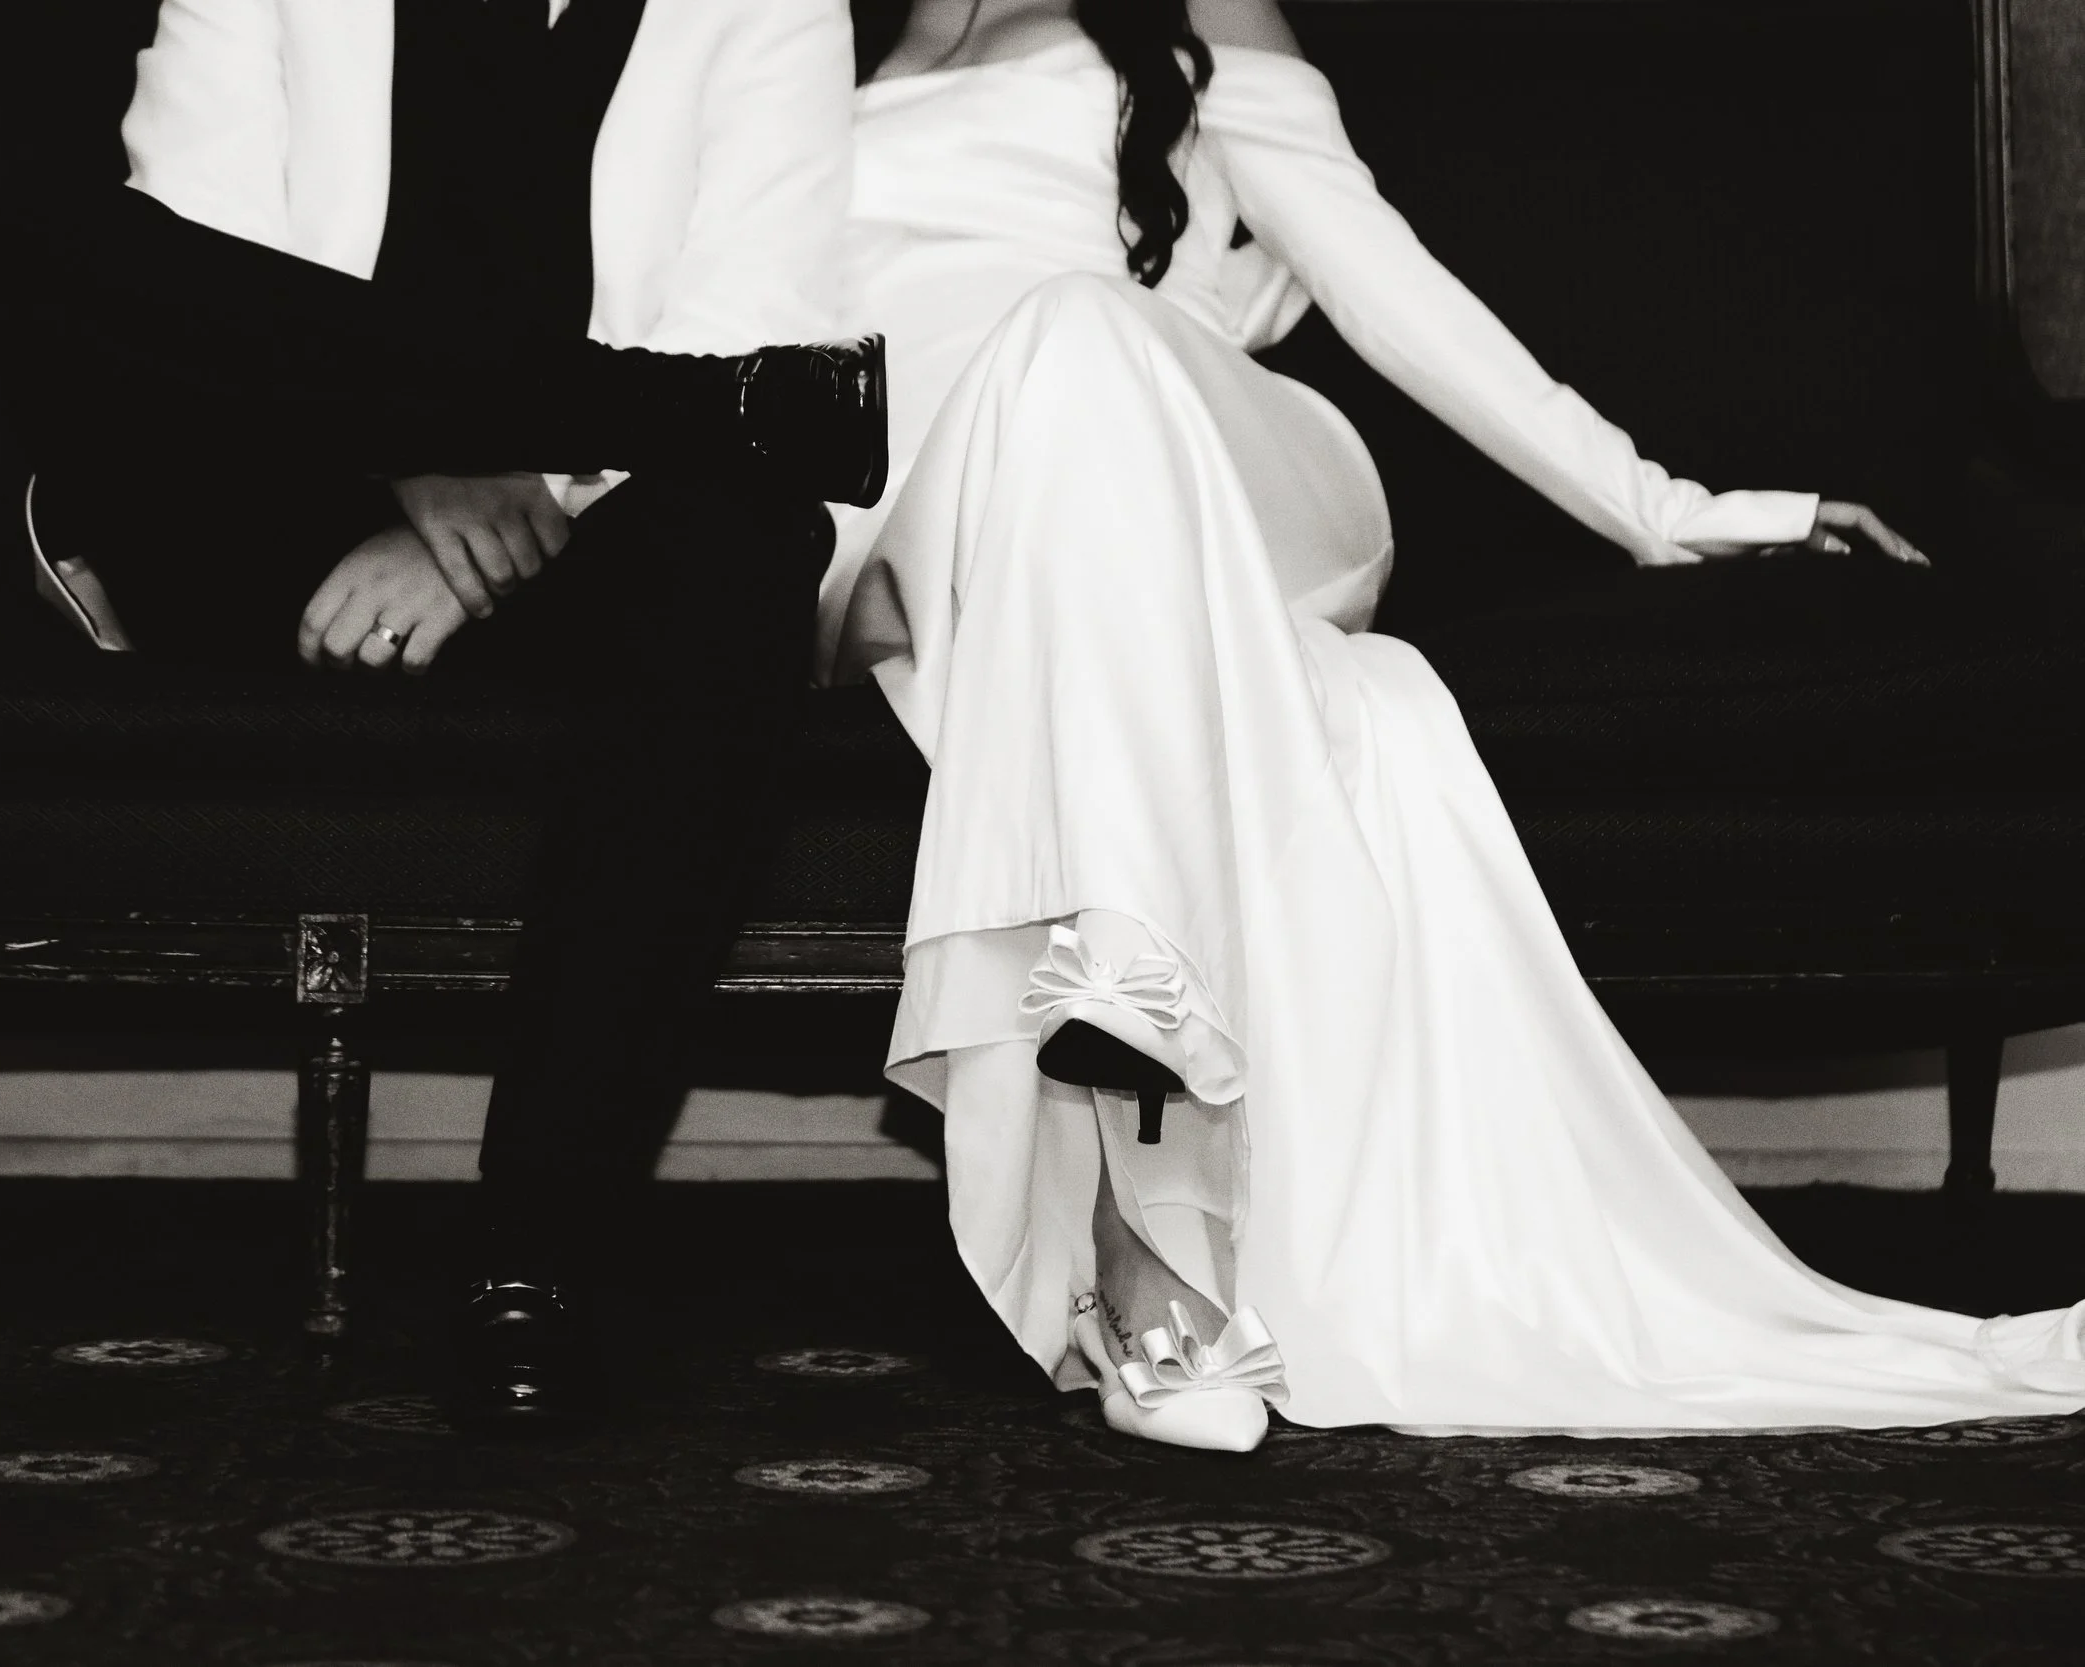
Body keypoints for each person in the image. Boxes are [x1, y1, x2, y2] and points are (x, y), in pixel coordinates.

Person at [821, 0, 2085, 1450]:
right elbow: (686, 309)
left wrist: (1668, 510)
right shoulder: (783, 31)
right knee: (1048, 419)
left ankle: (1144, 1182)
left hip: (1213, 459)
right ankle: (1146, 1131)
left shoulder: (1180, 9)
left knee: (1074, 331)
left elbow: (1381, 281)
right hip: (922, 528)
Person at [0, 0, 885, 1425]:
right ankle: (151, 551)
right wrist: (416, 471)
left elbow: (746, 324)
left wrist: (518, 508)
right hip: (286, 490)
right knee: (81, 268)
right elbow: (203, 273)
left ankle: (536, 1244)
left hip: (591, 513)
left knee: (751, 543)